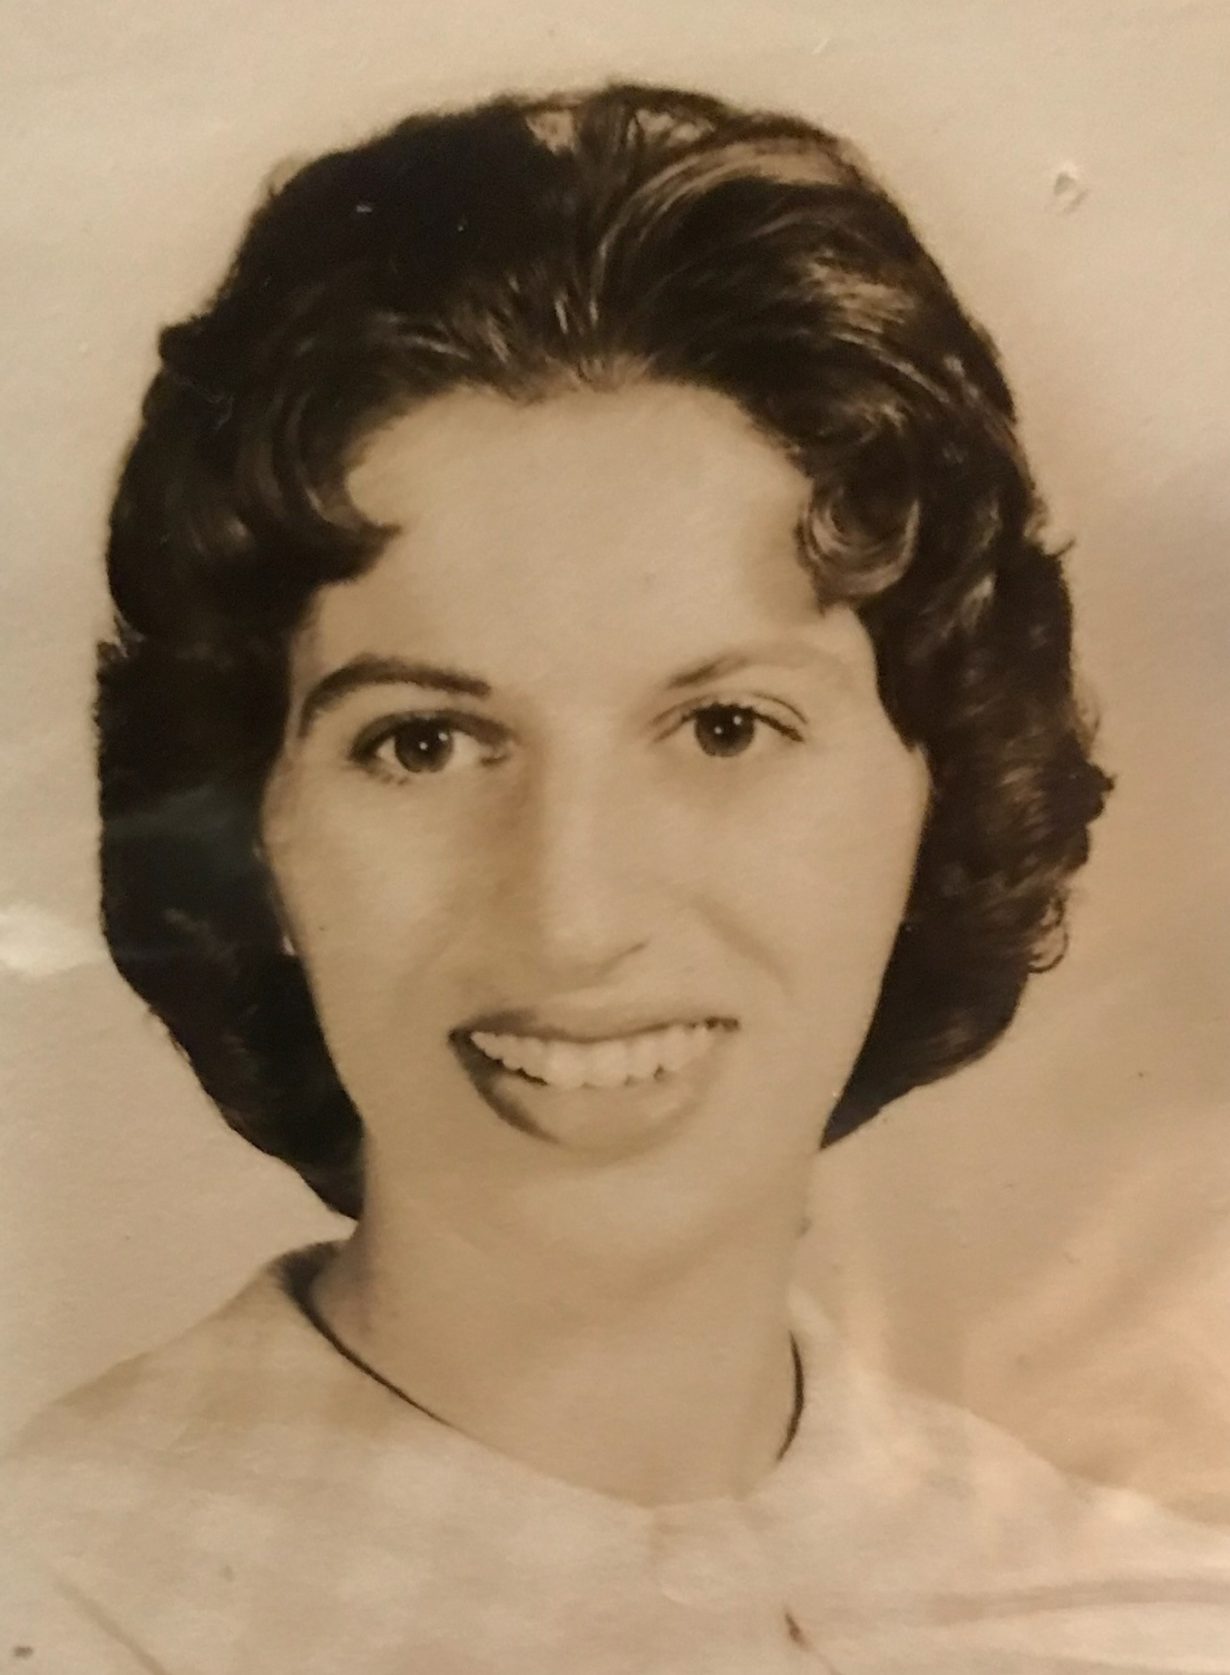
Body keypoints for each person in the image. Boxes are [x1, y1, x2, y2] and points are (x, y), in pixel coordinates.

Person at [3, 79, 1228, 1674]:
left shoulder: (1151, 1620)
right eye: (424, 743)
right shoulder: (63, 1606)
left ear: (941, 789)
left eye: (724, 727)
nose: (572, 917)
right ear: (251, 831)